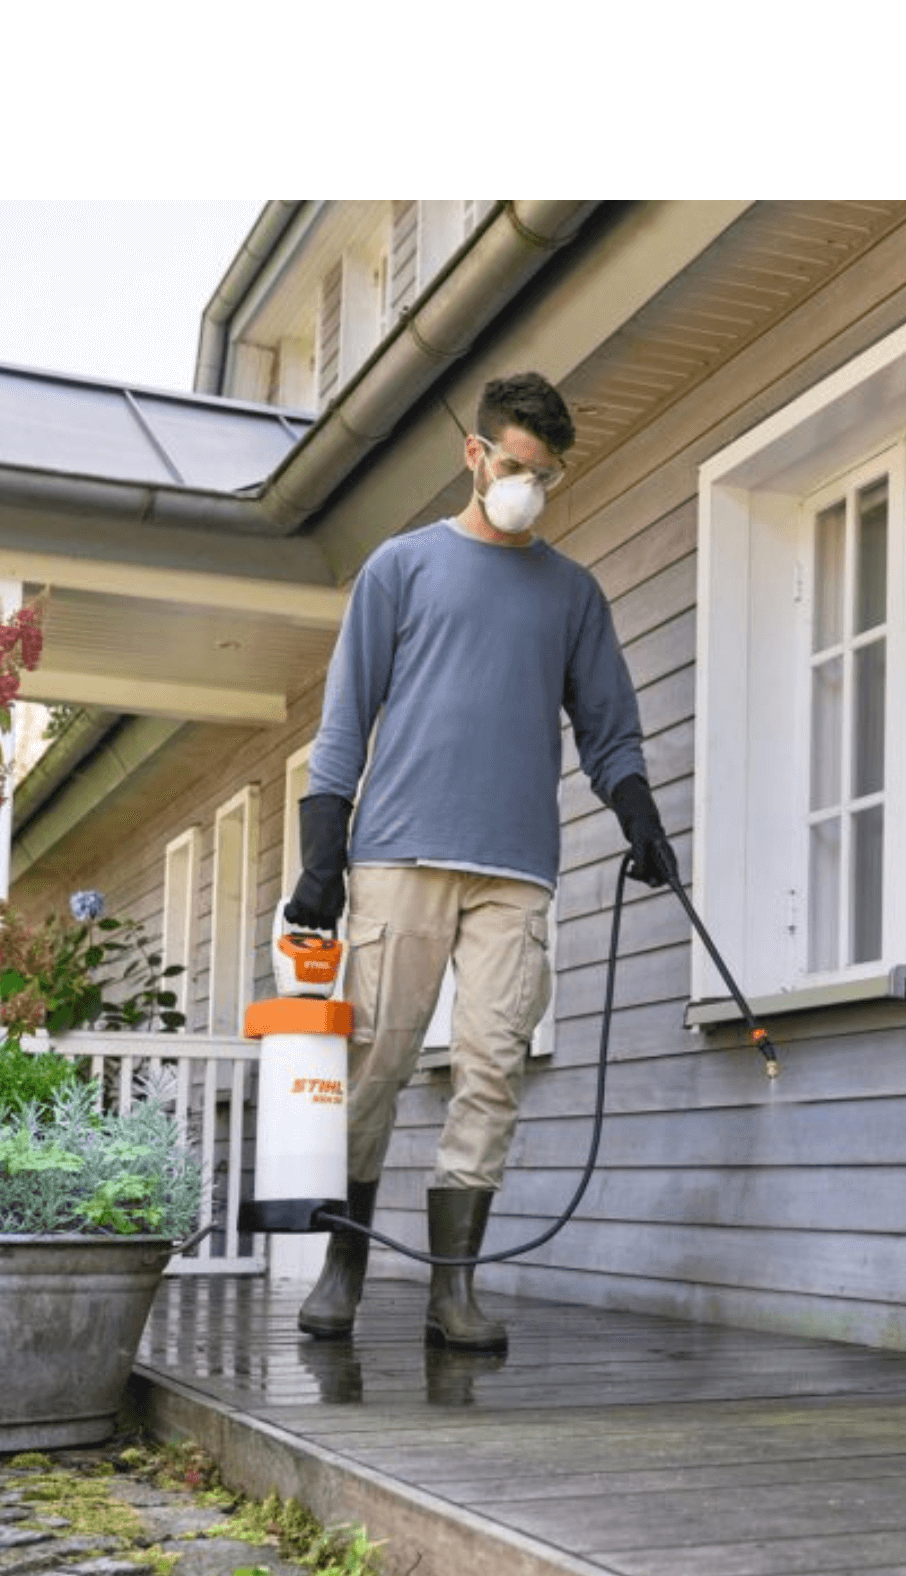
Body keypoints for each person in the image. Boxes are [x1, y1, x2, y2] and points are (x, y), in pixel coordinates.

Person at [283, 372, 676, 1351]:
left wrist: (638, 814)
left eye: (546, 475)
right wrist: (322, 858)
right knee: (373, 1066)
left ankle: (451, 1289)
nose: (527, 489)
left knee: (492, 1068)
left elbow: (610, 730)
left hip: (515, 868)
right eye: (515, 466)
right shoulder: (401, 567)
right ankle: (343, 1266)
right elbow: (344, 722)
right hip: (399, 854)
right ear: (475, 454)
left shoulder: (572, 594)